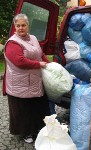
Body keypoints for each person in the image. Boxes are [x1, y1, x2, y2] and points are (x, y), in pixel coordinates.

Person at [3, 13, 51, 143]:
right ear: (14, 27)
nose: (20, 28)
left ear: (28, 26)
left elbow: (40, 54)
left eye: (23, 25)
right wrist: (39, 64)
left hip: (34, 81)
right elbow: (20, 62)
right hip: (20, 84)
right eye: (18, 25)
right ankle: (25, 133)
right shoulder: (13, 43)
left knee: (36, 108)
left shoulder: (34, 38)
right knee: (23, 110)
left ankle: (37, 129)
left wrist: (50, 64)